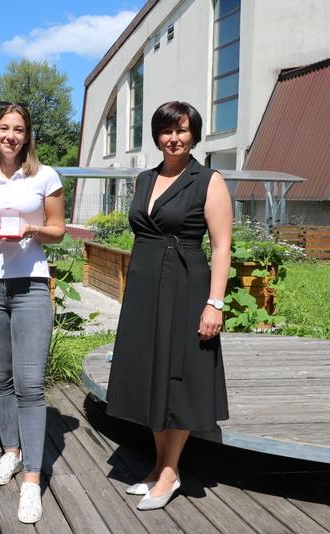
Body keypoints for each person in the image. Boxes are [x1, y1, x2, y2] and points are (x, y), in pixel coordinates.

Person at [106, 101, 231, 510]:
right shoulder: (145, 178)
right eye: (166, 131)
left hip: (185, 286)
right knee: (151, 373)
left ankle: (170, 471)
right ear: (157, 136)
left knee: (178, 376)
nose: (174, 138)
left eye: (182, 130)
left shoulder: (208, 180)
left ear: (194, 135)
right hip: (145, 289)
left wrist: (214, 303)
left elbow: (222, 247)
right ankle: (158, 463)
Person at [0, 102, 65, 524]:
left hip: (31, 286)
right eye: (4, 128)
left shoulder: (45, 176)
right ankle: (11, 450)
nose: (11, 136)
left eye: (18, 129)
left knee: (31, 384)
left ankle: (32, 481)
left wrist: (32, 228)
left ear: (27, 135)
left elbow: (58, 231)